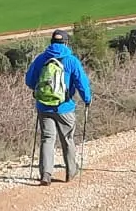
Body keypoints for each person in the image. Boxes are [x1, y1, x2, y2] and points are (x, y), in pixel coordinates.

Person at [25, 29, 92, 186]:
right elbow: (82, 83)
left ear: (51, 42)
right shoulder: (71, 60)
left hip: (44, 107)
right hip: (65, 107)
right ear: (66, 43)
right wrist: (87, 99)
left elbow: (29, 81)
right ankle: (71, 171)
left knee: (47, 139)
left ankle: (46, 174)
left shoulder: (41, 59)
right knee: (67, 138)